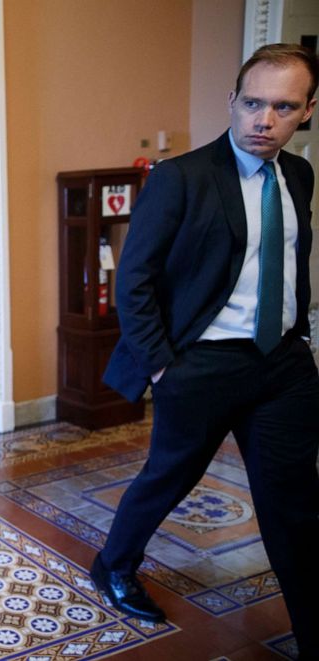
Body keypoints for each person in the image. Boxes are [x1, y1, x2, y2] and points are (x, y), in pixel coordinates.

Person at [97, 43, 318, 656]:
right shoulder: (182, 177)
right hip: (202, 363)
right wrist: (165, 364)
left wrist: (297, 332)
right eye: (252, 103)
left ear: (307, 112)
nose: (263, 120)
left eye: (282, 107)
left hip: (283, 365)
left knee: (295, 504)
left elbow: (290, 260)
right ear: (233, 102)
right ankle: (114, 563)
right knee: (169, 477)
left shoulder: (298, 174)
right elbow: (134, 279)